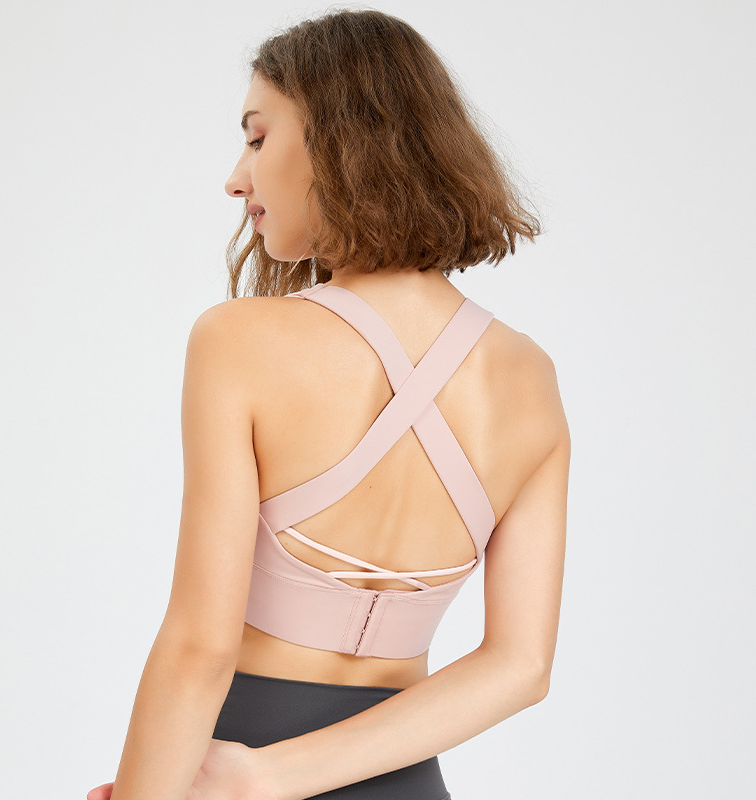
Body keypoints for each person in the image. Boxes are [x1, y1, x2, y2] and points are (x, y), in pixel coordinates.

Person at [88, 9, 569, 800]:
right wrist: (274, 779)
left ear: (336, 140)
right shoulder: (529, 376)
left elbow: (200, 648)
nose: (236, 177)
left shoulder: (239, 340)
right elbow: (521, 666)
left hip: (222, 767)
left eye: (257, 137)